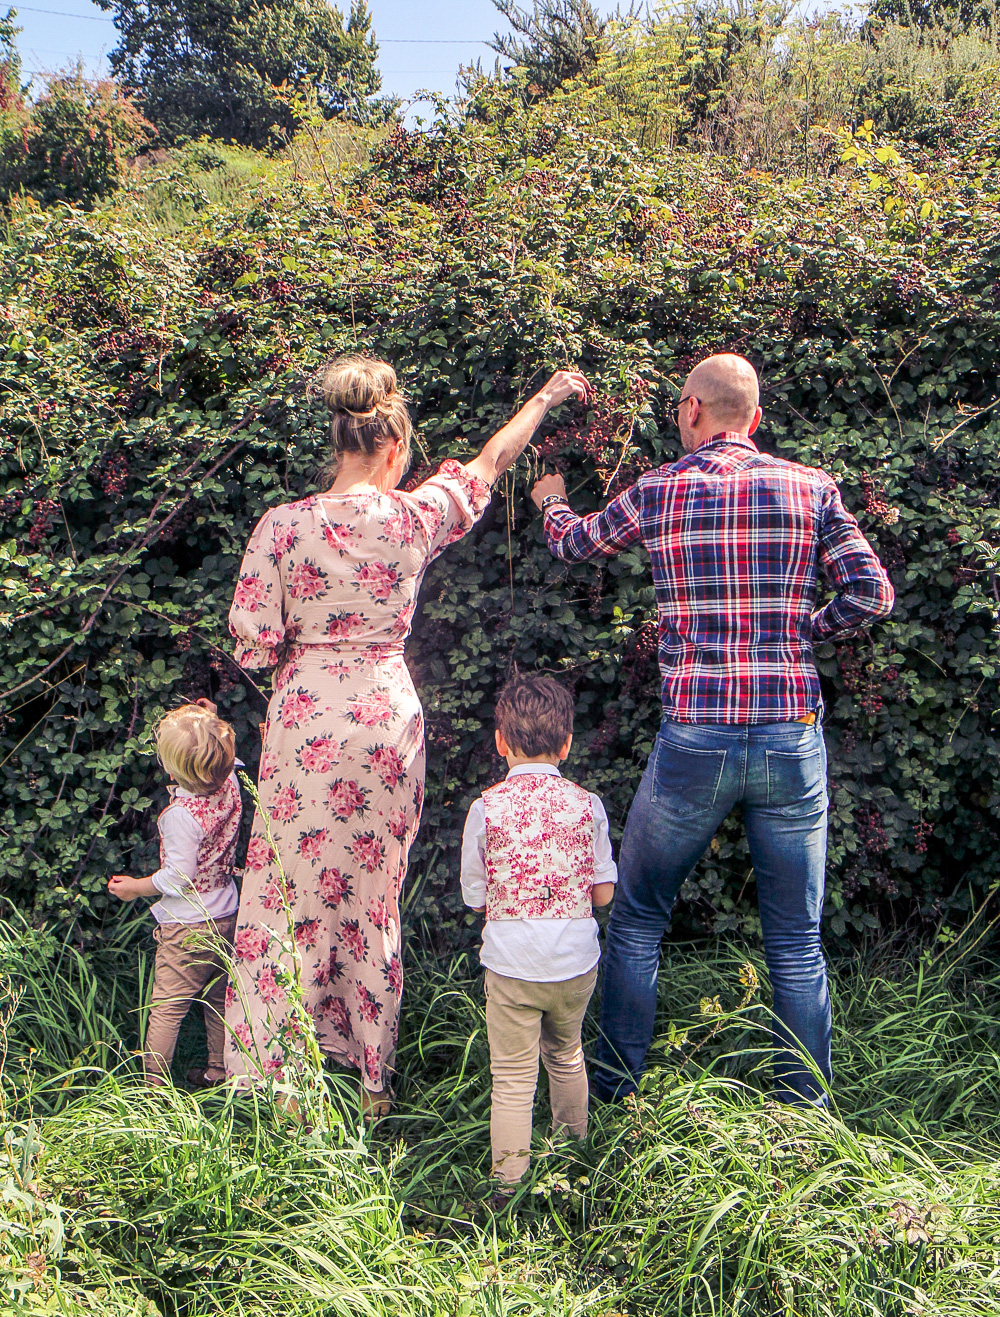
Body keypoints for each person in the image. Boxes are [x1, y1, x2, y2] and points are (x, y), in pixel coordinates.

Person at [228, 356, 591, 1117]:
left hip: (305, 723)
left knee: (285, 895)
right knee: (370, 897)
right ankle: (371, 1085)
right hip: (385, 720)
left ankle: (277, 1078)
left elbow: (255, 646)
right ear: (395, 446)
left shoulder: (282, 526)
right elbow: (492, 461)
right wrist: (548, 395)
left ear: (339, 441)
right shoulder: (414, 516)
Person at [530, 352, 894, 1107]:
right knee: (796, 941)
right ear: (754, 419)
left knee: (635, 922)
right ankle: (805, 1111)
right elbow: (871, 594)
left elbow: (575, 545)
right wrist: (801, 635)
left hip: (696, 733)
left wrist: (551, 500)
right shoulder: (810, 486)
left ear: (693, 409)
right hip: (790, 732)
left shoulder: (662, 490)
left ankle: (617, 1091)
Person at [460, 674, 617, 1196]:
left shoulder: (486, 808)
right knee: (566, 1054)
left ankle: (509, 1186)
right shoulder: (587, 804)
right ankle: (574, 1156)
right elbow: (602, 895)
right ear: (568, 743)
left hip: (511, 964)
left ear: (500, 741)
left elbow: (475, 897)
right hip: (575, 962)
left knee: (511, 1079)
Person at [108, 699, 241, 1087]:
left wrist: (135, 888)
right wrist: (211, 719)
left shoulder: (181, 817)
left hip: (188, 926)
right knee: (218, 1001)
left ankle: (154, 1090)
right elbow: (223, 756)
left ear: (172, 768)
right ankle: (219, 1071)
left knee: (167, 1009)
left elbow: (177, 877)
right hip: (227, 914)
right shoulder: (230, 782)